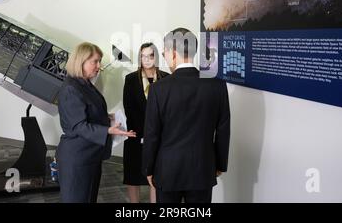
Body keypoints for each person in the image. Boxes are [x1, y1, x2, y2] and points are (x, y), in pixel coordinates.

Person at [142, 28, 230, 203]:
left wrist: (148, 169)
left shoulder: (159, 89)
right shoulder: (217, 85)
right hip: (203, 168)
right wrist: (220, 164)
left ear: (173, 53)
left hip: (167, 170)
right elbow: (223, 130)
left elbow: (152, 134)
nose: (165, 58)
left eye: (164, 53)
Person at [57, 42, 136, 203]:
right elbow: (79, 125)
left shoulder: (84, 84)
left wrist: (108, 117)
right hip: (77, 158)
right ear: (81, 61)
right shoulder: (71, 88)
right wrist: (108, 130)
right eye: (95, 61)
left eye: (99, 61)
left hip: (90, 155)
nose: (99, 66)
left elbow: (87, 113)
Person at [123, 43, 169, 203]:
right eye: (143, 56)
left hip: (159, 135)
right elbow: (128, 108)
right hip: (136, 133)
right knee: (133, 175)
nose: (147, 59)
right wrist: (142, 133)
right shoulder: (130, 79)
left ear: (156, 57)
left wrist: (156, 132)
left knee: (155, 176)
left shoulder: (166, 78)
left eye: (151, 55)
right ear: (139, 58)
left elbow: (168, 109)